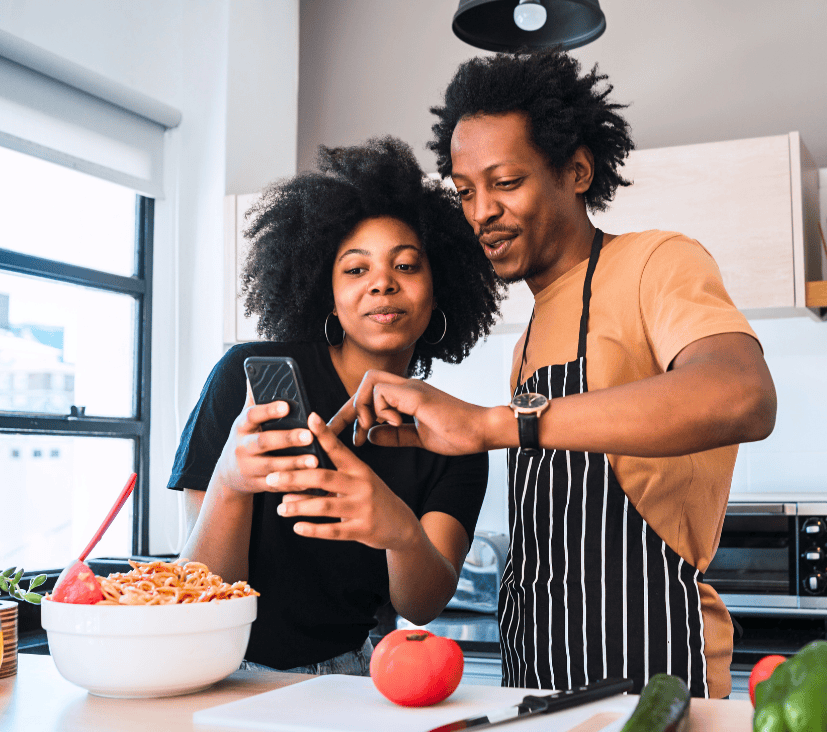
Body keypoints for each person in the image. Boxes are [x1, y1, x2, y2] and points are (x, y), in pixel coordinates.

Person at [329, 52, 778, 697]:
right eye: (464, 191)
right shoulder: (534, 332)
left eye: (504, 182)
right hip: (536, 667)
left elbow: (743, 395)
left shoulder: (656, 262)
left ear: (576, 171)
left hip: (648, 663)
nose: (480, 211)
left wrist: (489, 424)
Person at [168, 136, 504, 675]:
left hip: (349, 677)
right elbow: (200, 588)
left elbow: (422, 605)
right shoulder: (247, 380)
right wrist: (231, 482)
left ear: (438, 290)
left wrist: (400, 530)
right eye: (355, 270)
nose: (382, 284)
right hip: (219, 671)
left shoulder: (455, 434)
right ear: (326, 291)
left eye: (407, 266)